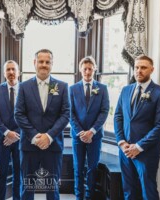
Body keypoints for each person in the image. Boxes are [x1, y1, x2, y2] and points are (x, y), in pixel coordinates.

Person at [114, 55, 160, 200]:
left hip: (147, 152)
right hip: (125, 151)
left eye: (143, 68)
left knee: (148, 191)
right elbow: (118, 117)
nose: (139, 71)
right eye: (137, 67)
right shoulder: (126, 90)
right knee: (129, 190)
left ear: (152, 69)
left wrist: (139, 146)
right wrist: (121, 142)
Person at [14, 49, 70, 200]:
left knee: (53, 190)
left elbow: (66, 115)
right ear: (34, 63)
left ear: (52, 64)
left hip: (53, 147)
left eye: (47, 62)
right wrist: (34, 136)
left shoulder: (63, 87)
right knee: (27, 188)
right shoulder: (24, 87)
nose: (44, 65)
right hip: (29, 146)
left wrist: (49, 136)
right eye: (41, 61)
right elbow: (19, 114)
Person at [69, 56, 109, 200]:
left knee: (92, 168)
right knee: (78, 168)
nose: (87, 72)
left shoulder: (102, 88)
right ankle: (79, 197)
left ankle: (89, 196)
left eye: (90, 69)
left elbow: (104, 111)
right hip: (77, 136)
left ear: (95, 70)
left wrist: (92, 131)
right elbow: (70, 112)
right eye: (85, 69)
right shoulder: (72, 89)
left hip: (95, 136)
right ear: (80, 70)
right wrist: (81, 132)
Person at [0, 60, 21, 200]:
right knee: (1, 173)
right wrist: (7, 132)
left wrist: (16, 134)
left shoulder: (26, 90)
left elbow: (30, 115)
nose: (11, 72)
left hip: (20, 139)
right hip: (1, 139)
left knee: (19, 173)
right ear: (4, 73)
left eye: (13, 69)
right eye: (8, 70)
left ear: (18, 72)